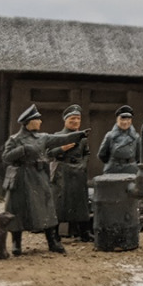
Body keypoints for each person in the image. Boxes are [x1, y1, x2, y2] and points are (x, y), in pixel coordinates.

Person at [2, 104, 88, 255]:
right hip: (21, 178)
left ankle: (52, 242)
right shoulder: (15, 139)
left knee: (47, 208)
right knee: (18, 211)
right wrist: (22, 150)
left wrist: (79, 135)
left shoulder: (42, 138)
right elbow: (6, 157)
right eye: (38, 119)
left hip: (39, 176)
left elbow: (60, 138)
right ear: (30, 121)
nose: (40, 122)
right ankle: (16, 243)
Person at [47, 104, 92, 243]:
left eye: (78, 119)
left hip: (78, 173)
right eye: (72, 119)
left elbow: (86, 154)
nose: (75, 122)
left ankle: (84, 232)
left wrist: (83, 165)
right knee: (59, 204)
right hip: (62, 172)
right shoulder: (57, 136)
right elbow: (48, 153)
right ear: (65, 120)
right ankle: (55, 235)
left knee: (81, 203)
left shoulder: (82, 138)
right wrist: (62, 148)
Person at [98, 105, 140, 174]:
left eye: (128, 119)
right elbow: (102, 155)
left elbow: (139, 157)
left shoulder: (136, 137)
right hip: (113, 169)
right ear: (117, 120)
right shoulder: (110, 136)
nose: (125, 122)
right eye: (122, 119)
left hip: (131, 169)